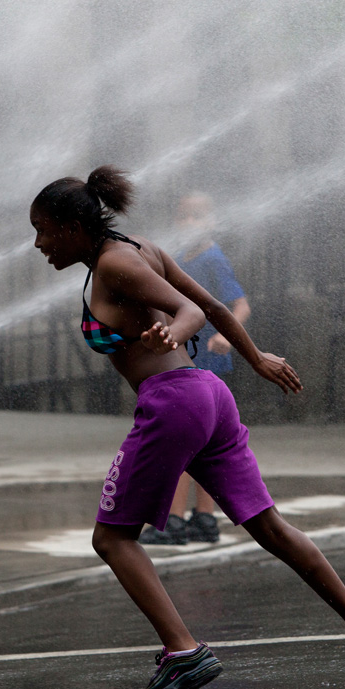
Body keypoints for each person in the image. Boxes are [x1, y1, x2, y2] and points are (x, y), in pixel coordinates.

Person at [30, 166, 345, 689]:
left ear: (71, 226)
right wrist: (257, 358)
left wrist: (173, 333)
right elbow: (217, 308)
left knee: (111, 539)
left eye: (43, 230)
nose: (38, 244)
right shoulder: (143, 248)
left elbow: (192, 312)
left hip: (172, 403)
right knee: (270, 527)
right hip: (210, 397)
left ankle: (183, 651)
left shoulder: (115, 263)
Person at [140, 191, 250, 545]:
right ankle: (204, 519)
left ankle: (172, 522)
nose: (189, 222)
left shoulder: (213, 258)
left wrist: (225, 336)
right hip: (186, 359)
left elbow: (241, 305)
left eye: (197, 215)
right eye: (183, 215)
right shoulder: (179, 259)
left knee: (180, 442)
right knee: (203, 445)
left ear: (213, 221)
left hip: (204, 363)